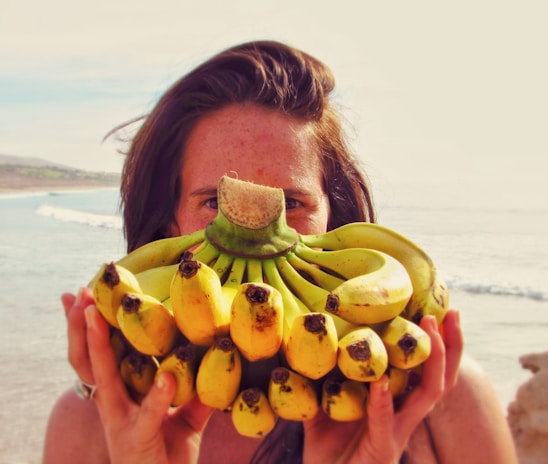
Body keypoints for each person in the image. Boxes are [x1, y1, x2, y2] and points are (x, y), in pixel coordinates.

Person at [43, 40, 517, 463]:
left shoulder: (440, 406)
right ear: (171, 224)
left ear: (336, 217)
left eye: (292, 203)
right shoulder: (91, 428)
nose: (253, 230)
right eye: (214, 201)